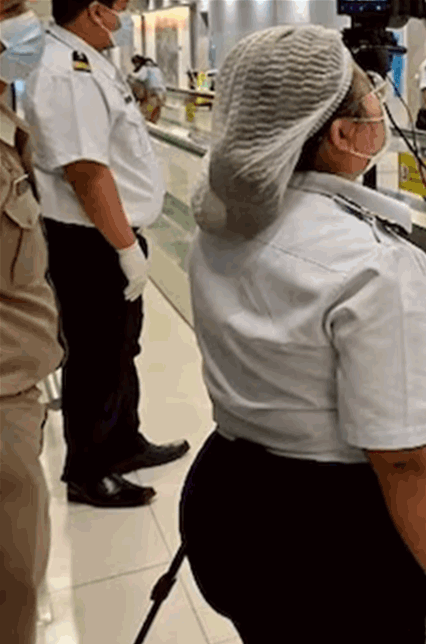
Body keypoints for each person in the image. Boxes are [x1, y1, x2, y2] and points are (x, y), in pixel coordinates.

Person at [181, 25, 426, 643]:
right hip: (341, 546)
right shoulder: (374, 267)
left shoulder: (218, 221)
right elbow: (404, 458)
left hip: (232, 508)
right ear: (344, 134)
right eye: (368, 87)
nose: (380, 96)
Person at [24, 0, 189, 508]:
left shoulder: (88, 59)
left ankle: (122, 442)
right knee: (95, 354)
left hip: (109, 234)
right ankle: (88, 470)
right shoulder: (66, 71)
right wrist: (124, 248)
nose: (126, 16)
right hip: (89, 241)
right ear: (95, 10)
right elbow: (86, 172)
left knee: (121, 347)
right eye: (120, 8)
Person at [0, 4, 59, 641]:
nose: (23, 25)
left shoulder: (6, 121)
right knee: (10, 593)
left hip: (18, 388)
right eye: (8, 11)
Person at [131, 54, 166, 124]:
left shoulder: (145, 68)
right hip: (162, 96)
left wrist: (131, 75)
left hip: (153, 96)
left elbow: (140, 78)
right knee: (154, 117)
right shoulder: (157, 69)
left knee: (145, 117)